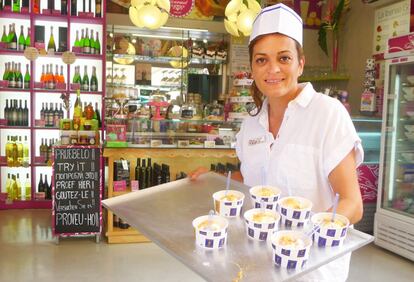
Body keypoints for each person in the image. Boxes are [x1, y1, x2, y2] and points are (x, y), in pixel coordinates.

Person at [189, 3, 363, 281]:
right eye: (261, 60)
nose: (273, 69)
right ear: (252, 68)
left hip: (312, 269)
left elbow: (352, 204)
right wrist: (214, 180)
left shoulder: (328, 114)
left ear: (300, 63)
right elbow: (253, 183)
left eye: (284, 58)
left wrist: (300, 239)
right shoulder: (250, 125)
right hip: (258, 262)